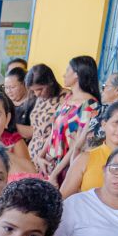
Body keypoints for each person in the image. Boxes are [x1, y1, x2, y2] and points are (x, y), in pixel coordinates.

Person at [44, 55, 102, 184]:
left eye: (67, 71)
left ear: (76, 74)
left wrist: (55, 174)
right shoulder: (68, 98)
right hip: (50, 163)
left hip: (65, 168)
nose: (64, 75)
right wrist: (40, 156)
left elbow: (78, 144)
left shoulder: (90, 105)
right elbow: (55, 130)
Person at [23, 63, 65, 174]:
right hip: (31, 155)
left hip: (49, 158)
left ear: (50, 82)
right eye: (33, 90)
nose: (37, 94)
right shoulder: (40, 98)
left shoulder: (67, 98)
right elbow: (35, 129)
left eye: (40, 89)